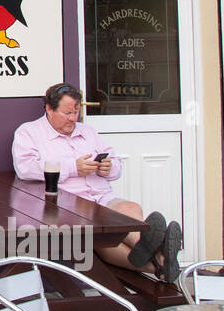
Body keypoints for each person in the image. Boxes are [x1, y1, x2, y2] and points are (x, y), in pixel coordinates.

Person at [12, 82, 182, 282]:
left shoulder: (88, 132)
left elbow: (116, 166)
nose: (72, 118)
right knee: (102, 236)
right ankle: (161, 259)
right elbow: (25, 168)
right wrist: (73, 167)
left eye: (76, 112)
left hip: (101, 196)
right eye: (66, 113)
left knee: (130, 208)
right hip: (69, 203)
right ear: (49, 109)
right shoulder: (29, 132)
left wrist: (108, 168)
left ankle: (159, 260)